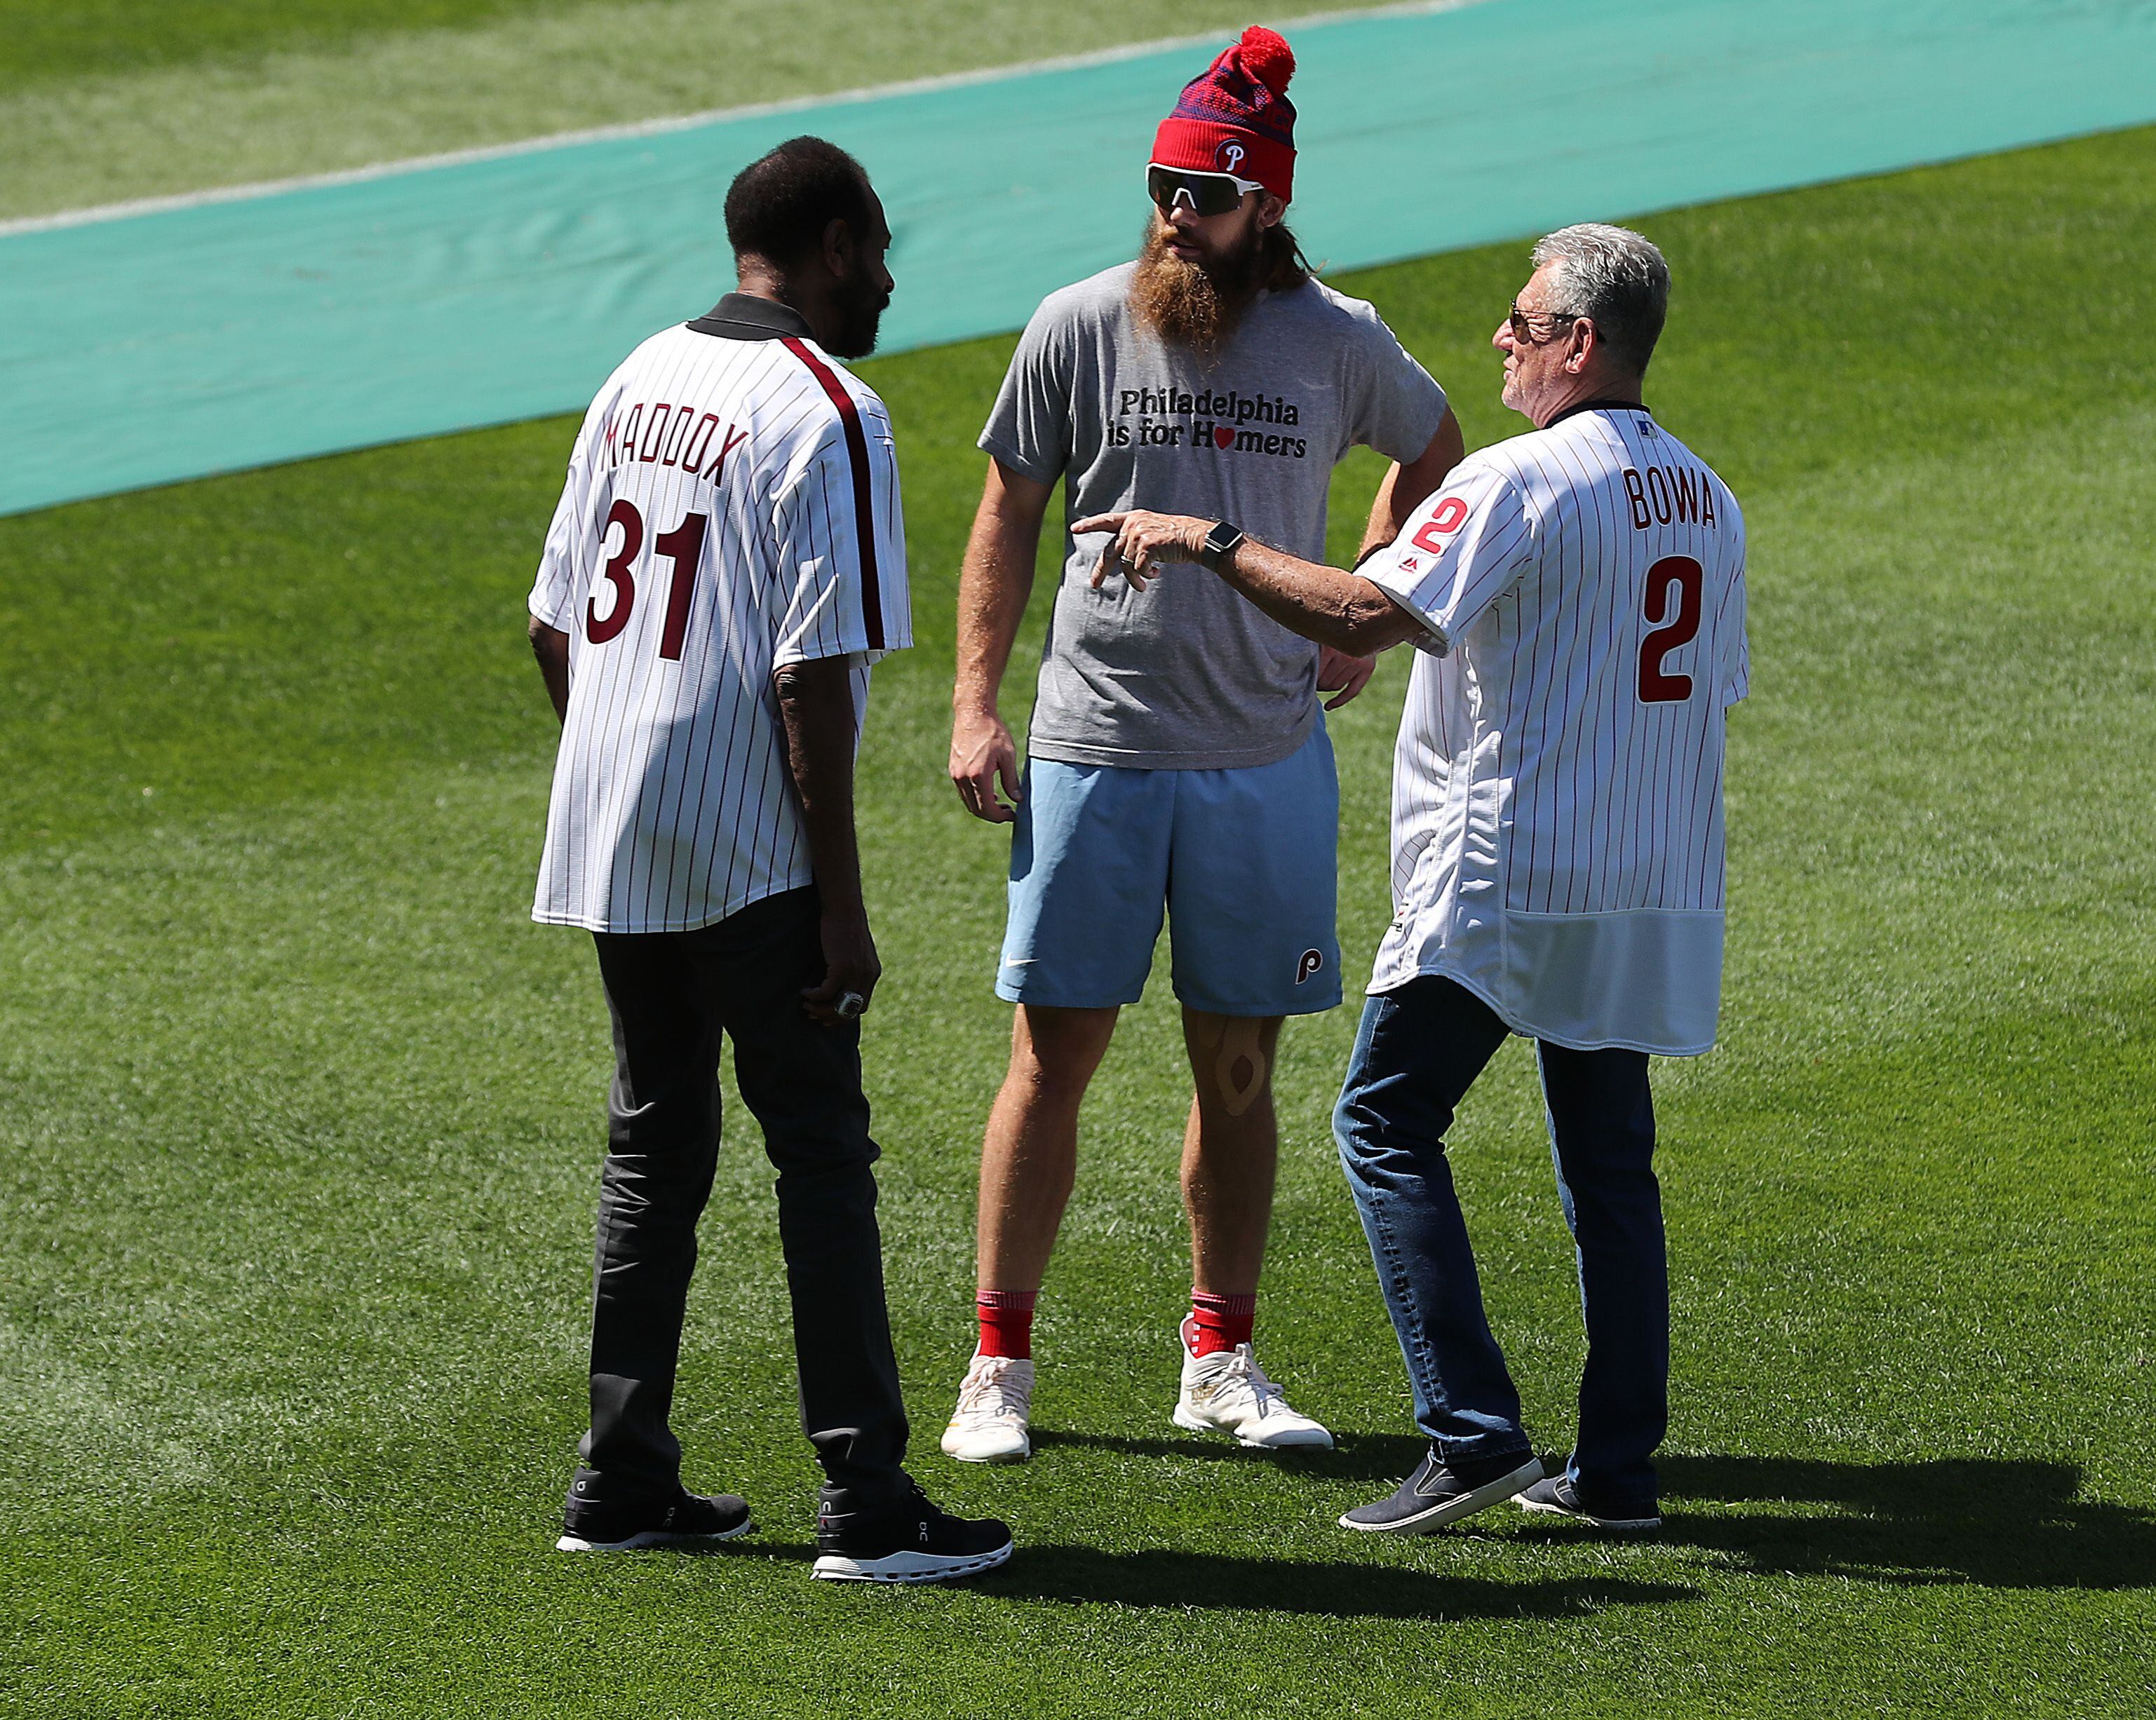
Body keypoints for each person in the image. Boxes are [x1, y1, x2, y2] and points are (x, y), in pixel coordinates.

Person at [1074, 223, 1746, 1535]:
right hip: (1650, 876)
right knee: (1611, 1166)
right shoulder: (1708, 493)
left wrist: (1201, 537)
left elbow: (1358, 613)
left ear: (1579, 342)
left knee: (1382, 1122)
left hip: (1512, 871)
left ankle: (1472, 1430)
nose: (1502, 337)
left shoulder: (1522, 480)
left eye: (1521, 320)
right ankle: (1614, 1472)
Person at [941, 25, 1464, 1465]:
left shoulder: (1340, 340)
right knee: (1051, 1060)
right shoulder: (1075, 321)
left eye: (1207, 193)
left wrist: (1361, 606)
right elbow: (1007, 512)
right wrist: (976, 703)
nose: (1177, 212)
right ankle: (998, 1361)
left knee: (1237, 1070)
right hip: (1095, 744)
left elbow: (1435, 451)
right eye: (1166, 185)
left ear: (1269, 206)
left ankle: (1218, 1358)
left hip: (1259, 754)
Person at [526, 136, 1011, 1583]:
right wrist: (842, 910)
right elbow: (812, 677)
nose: (891, 277)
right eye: (878, 249)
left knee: (652, 1145)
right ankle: (864, 1498)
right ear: (839, 238)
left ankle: (619, 1478)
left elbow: (555, 623)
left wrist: (617, 761)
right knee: (820, 1153)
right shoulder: (830, 408)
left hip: (614, 830)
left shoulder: (638, 374)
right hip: (750, 846)